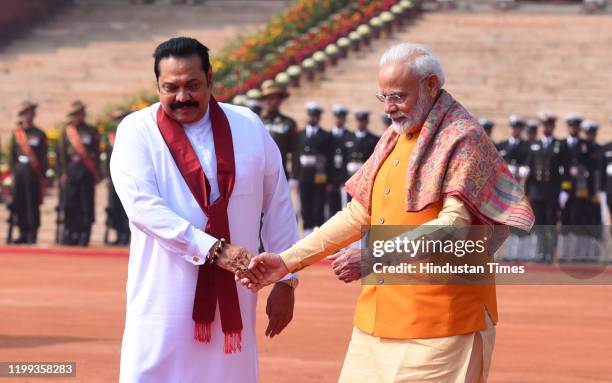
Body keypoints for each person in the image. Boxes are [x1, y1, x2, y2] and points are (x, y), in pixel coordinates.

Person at [241, 43, 534, 383]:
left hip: (443, 324)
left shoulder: (462, 139)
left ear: (431, 86)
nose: (390, 109)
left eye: (398, 96)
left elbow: (453, 226)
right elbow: (357, 214)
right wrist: (287, 261)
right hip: (378, 320)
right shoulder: (393, 140)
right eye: (383, 99)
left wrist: (373, 256)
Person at [110, 37, 299, 383]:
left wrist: (286, 280)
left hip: (238, 294)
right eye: (170, 88)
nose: (182, 97)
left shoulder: (248, 126)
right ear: (157, 86)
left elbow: (278, 203)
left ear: (210, 79)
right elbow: (142, 207)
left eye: (192, 85)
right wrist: (212, 248)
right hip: (163, 299)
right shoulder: (137, 131)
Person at [524, 112, 569, 262]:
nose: (546, 128)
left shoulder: (560, 145)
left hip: (552, 191)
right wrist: (527, 192)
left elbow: (566, 170)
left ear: (553, 127)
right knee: (539, 223)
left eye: (549, 125)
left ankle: (550, 253)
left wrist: (565, 190)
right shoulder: (535, 145)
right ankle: (541, 252)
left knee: (551, 223)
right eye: (544, 125)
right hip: (536, 192)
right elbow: (529, 171)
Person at [57, 100, 100, 246]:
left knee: (85, 204)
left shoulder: (91, 131)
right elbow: (61, 154)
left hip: (86, 171)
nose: (77, 116)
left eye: (79, 113)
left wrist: (98, 173)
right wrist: (62, 173)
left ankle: (84, 234)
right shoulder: (67, 131)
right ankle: (71, 233)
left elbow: (96, 153)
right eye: (74, 114)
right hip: (71, 171)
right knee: (71, 204)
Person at [8, 101, 48, 244]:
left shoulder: (39, 134)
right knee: (20, 202)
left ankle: (32, 232)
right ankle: (22, 232)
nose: (28, 116)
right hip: (19, 170)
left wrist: (43, 175)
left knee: (32, 203)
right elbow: (11, 155)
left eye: (30, 113)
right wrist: (12, 173)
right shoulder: (17, 134)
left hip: (33, 172)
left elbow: (43, 156)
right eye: (25, 113)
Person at [293, 102, 332, 237]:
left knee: (318, 205)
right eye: (311, 115)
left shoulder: (326, 135)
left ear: (319, 117)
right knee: (305, 204)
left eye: (315, 116)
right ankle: (306, 231)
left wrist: (330, 180)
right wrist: (295, 176)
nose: (313, 118)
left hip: (319, 176)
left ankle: (318, 234)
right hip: (304, 176)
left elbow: (330, 158)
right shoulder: (300, 135)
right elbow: (296, 156)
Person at [495, 115, 532, 260]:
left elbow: (528, 163)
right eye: (513, 127)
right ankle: (497, 253)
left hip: (517, 188)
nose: (514, 130)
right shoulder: (502, 145)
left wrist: (520, 169)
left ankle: (513, 254)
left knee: (514, 221)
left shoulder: (526, 146)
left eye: (517, 128)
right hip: (502, 189)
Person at [259, 81, 298, 180]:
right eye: (265, 98)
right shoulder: (254, 121)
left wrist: (295, 176)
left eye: (272, 98)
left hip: (280, 174)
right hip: (257, 174)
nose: (268, 101)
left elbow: (295, 152)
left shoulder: (289, 123)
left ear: (280, 100)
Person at [105, 108, 131, 245]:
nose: (119, 121)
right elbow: (107, 158)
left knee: (125, 207)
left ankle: (125, 235)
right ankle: (118, 233)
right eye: (117, 119)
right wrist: (107, 177)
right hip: (114, 176)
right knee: (114, 206)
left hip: (129, 176)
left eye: (122, 118)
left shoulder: (133, 135)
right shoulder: (112, 136)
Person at [327, 104, 353, 217]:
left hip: (344, 176)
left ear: (344, 119)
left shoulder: (350, 136)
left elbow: (349, 158)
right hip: (330, 177)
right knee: (330, 205)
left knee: (345, 205)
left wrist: (345, 179)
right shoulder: (327, 136)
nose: (338, 120)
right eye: (337, 117)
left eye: (341, 117)